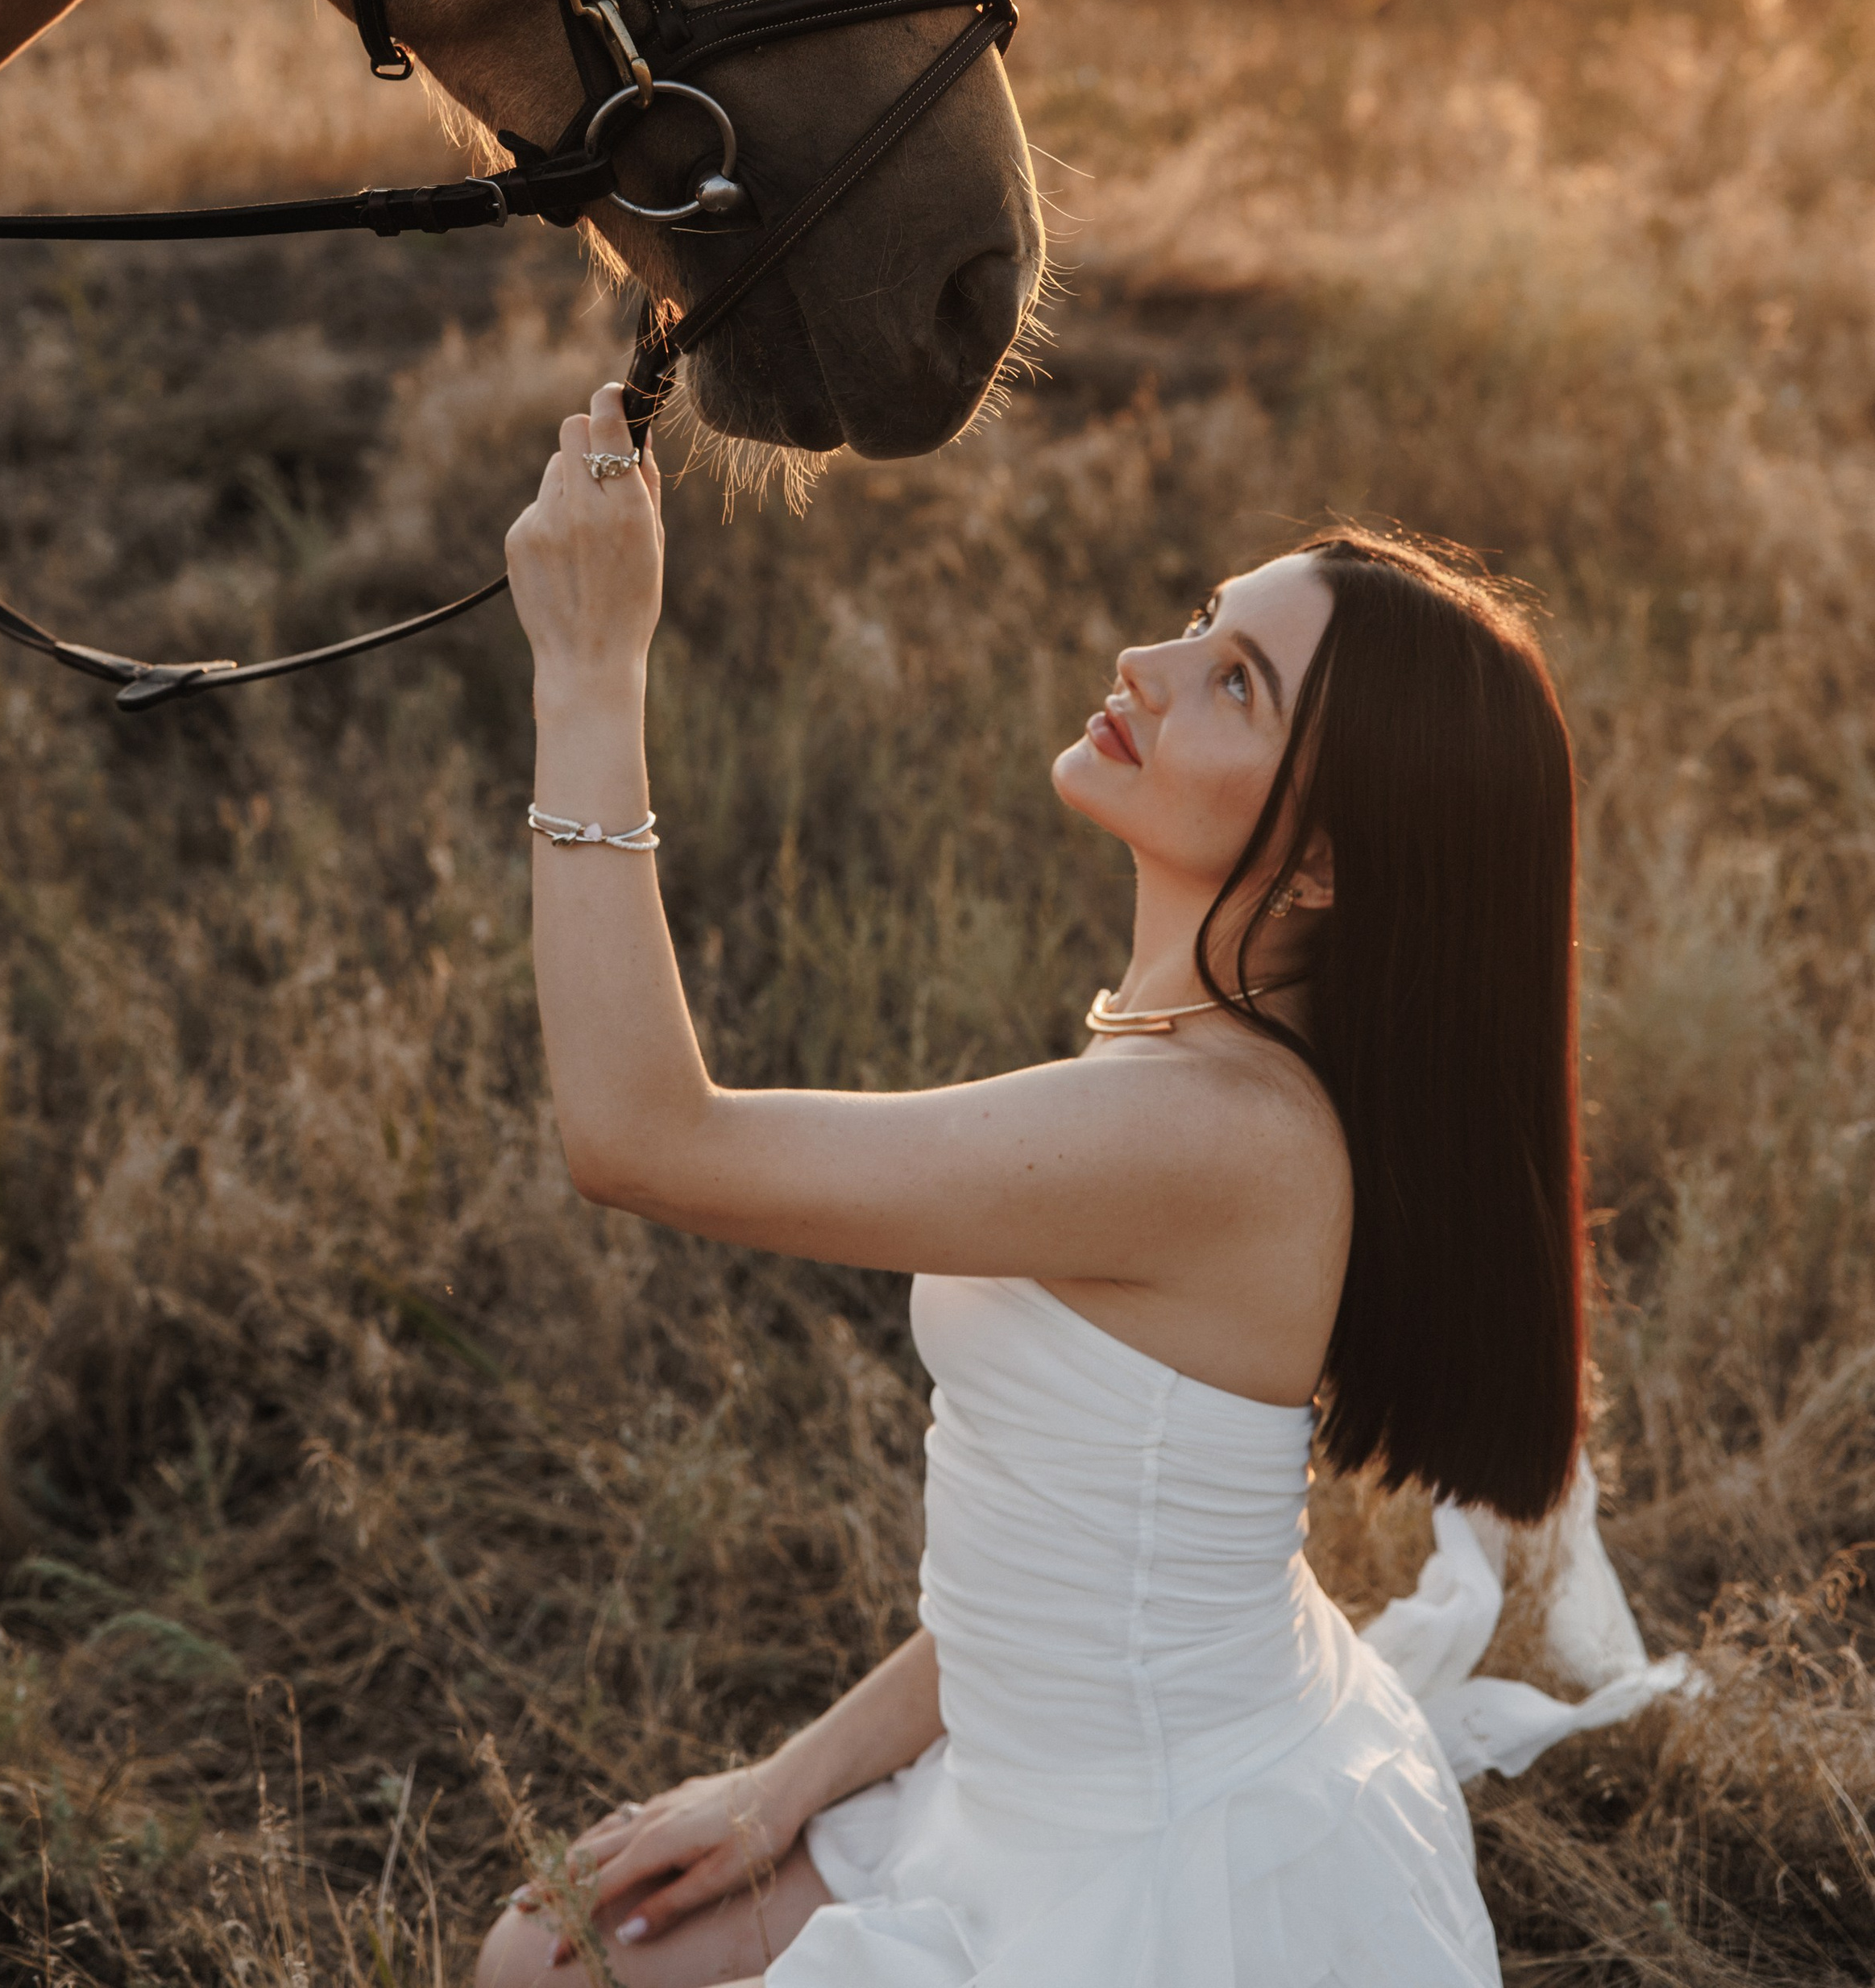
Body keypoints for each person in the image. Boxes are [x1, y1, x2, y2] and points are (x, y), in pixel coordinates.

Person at [475, 382, 1595, 1987]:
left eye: (1230, 683)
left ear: (1327, 865)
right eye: (1204, 621)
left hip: (1146, 1860)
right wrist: (782, 1785)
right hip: (1029, 1760)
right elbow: (1083, 1557)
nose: (1141, 666)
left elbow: (644, 1138)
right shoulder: (1189, 1063)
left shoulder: (1209, 1136)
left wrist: (588, 670)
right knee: (548, 1952)